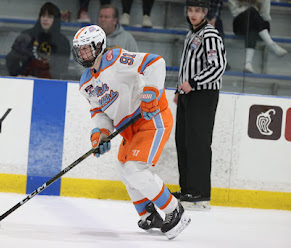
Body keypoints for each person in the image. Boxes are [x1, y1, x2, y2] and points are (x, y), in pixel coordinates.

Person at [72, 24, 191, 239]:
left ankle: (175, 210)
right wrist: (101, 133)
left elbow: (156, 63)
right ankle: (149, 214)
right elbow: (100, 112)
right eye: (78, 50)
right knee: (123, 168)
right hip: (129, 129)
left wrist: (151, 93)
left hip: (151, 119)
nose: (81, 54)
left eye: (85, 48)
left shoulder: (118, 59)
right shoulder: (85, 83)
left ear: (99, 46)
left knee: (134, 170)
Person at [172, 0, 227, 210]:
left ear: (205, 12)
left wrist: (192, 83)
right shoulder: (191, 34)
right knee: (183, 141)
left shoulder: (210, 34)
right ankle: (188, 189)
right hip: (188, 94)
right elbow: (186, 66)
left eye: (198, 11)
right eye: (191, 10)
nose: (193, 14)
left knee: (198, 143)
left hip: (203, 94)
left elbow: (218, 66)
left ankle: (201, 193)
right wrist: (180, 88)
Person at [6, 2, 70, 79]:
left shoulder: (62, 41)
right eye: (43, 16)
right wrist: (17, 75)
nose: (45, 19)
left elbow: (62, 68)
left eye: (49, 16)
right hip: (25, 81)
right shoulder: (27, 36)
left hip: (50, 84)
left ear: (55, 20)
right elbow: (12, 58)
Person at [228, 0, 288, 73]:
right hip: (241, 22)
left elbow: (265, 15)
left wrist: (256, 16)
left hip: (259, 23)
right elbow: (235, 12)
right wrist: (251, 11)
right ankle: (271, 45)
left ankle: (248, 64)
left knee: (253, 25)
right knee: (252, 12)